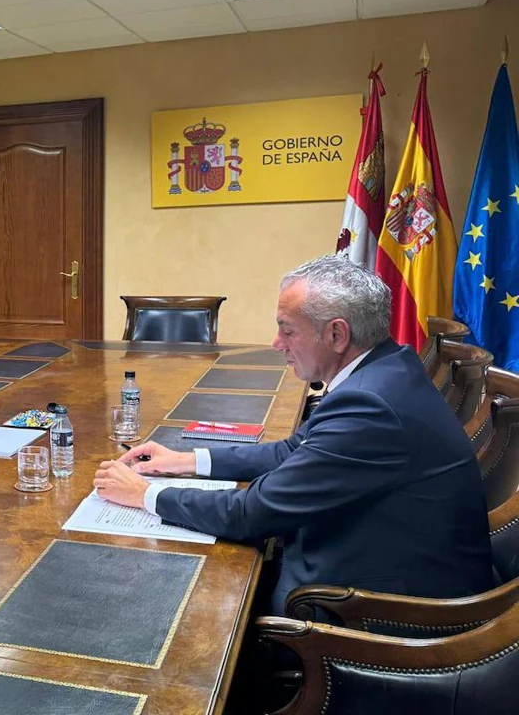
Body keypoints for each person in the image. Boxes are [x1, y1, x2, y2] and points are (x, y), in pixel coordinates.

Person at [93, 255, 495, 615]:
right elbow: (293, 450)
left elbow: (252, 514)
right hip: (389, 560)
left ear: (337, 335)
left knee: (187, 603)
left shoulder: (370, 407)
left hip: (384, 612)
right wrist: (185, 461)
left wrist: (144, 494)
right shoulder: (387, 370)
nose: (276, 344)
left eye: (287, 331)